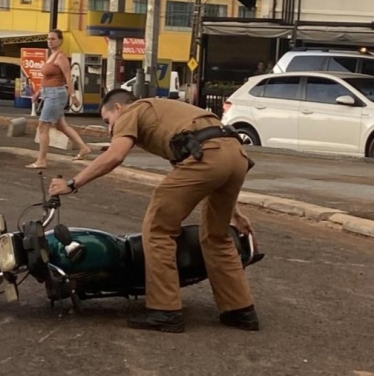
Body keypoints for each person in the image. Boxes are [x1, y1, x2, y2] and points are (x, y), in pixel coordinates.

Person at [49, 89, 259, 333]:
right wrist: (234, 213)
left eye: (108, 122)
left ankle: (165, 311)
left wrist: (72, 183)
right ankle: (240, 311)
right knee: (216, 235)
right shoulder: (168, 114)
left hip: (209, 155)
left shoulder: (132, 110)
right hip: (236, 155)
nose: (109, 129)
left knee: (158, 229)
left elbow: (115, 155)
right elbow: (214, 160)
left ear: (118, 109)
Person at [26, 29, 91, 169]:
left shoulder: (60, 57)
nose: (50, 41)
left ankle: (41, 160)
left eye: (53, 39)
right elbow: (45, 78)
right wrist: (38, 92)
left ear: (60, 40)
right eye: (48, 38)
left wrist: (73, 96)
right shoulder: (51, 56)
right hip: (48, 93)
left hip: (56, 94)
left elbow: (68, 77)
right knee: (61, 125)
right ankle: (84, 148)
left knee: (43, 126)